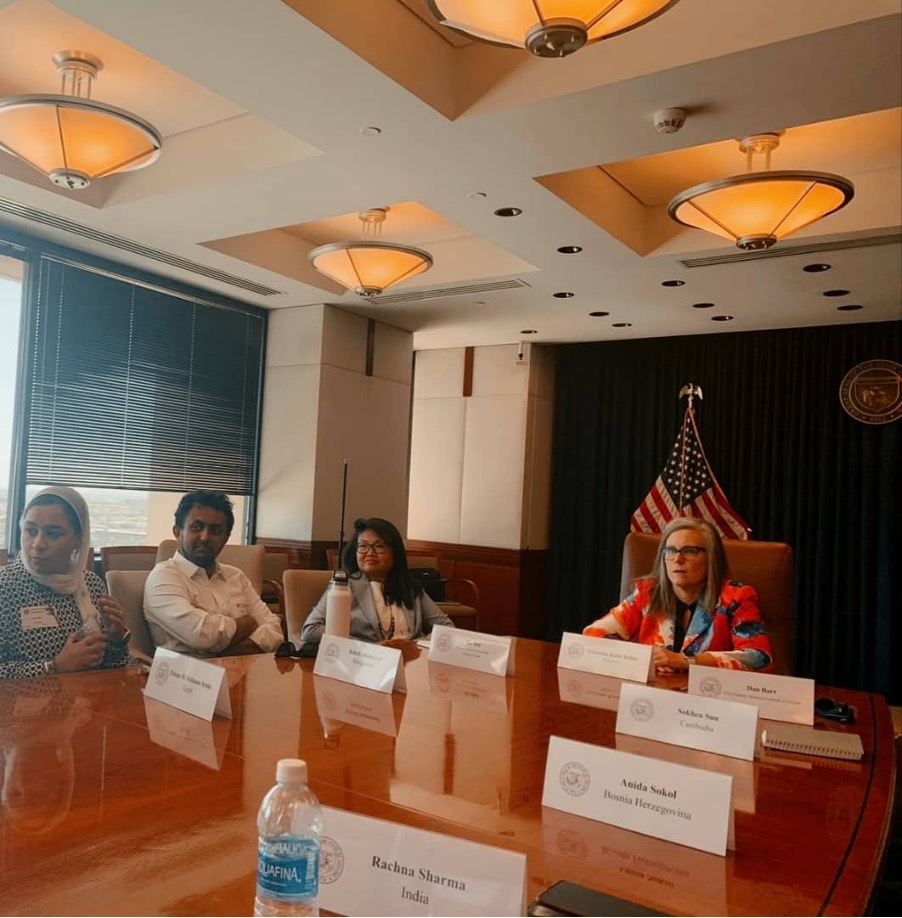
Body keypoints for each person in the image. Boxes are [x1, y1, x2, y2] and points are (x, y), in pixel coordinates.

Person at [583, 518, 773, 672]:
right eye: (670, 550)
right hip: (651, 698)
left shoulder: (736, 598)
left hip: (709, 704)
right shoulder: (647, 592)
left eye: (690, 551)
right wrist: (643, 658)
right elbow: (593, 634)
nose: (677, 559)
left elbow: (759, 658)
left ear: (711, 558)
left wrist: (687, 661)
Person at [0, 486, 130, 679]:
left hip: (91, 701)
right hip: (25, 705)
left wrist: (116, 640)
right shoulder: (5, 586)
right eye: (30, 531)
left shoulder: (91, 585)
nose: (37, 544)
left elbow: (110, 667)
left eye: (53, 534)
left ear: (78, 540)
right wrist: (54, 666)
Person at [144, 490, 283, 656]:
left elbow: (275, 631)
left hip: (247, 674)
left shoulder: (236, 576)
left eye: (215, 530)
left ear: (225, 538)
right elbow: (202, 636)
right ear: (178, 532)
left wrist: (218, 650)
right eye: (197, 527)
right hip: (189, 679)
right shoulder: (163, 577)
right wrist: (248, 623)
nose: (205, 537)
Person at [302, 517, 454, 644]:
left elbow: (447, 629)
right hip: (364, 664)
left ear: (395, 552)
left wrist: (413, 646)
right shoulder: (344, 586)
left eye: (380, 546)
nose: (370, 553)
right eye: (363, 546)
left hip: (410, 662)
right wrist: (368, 648)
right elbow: (311, 629)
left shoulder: (410, 587)